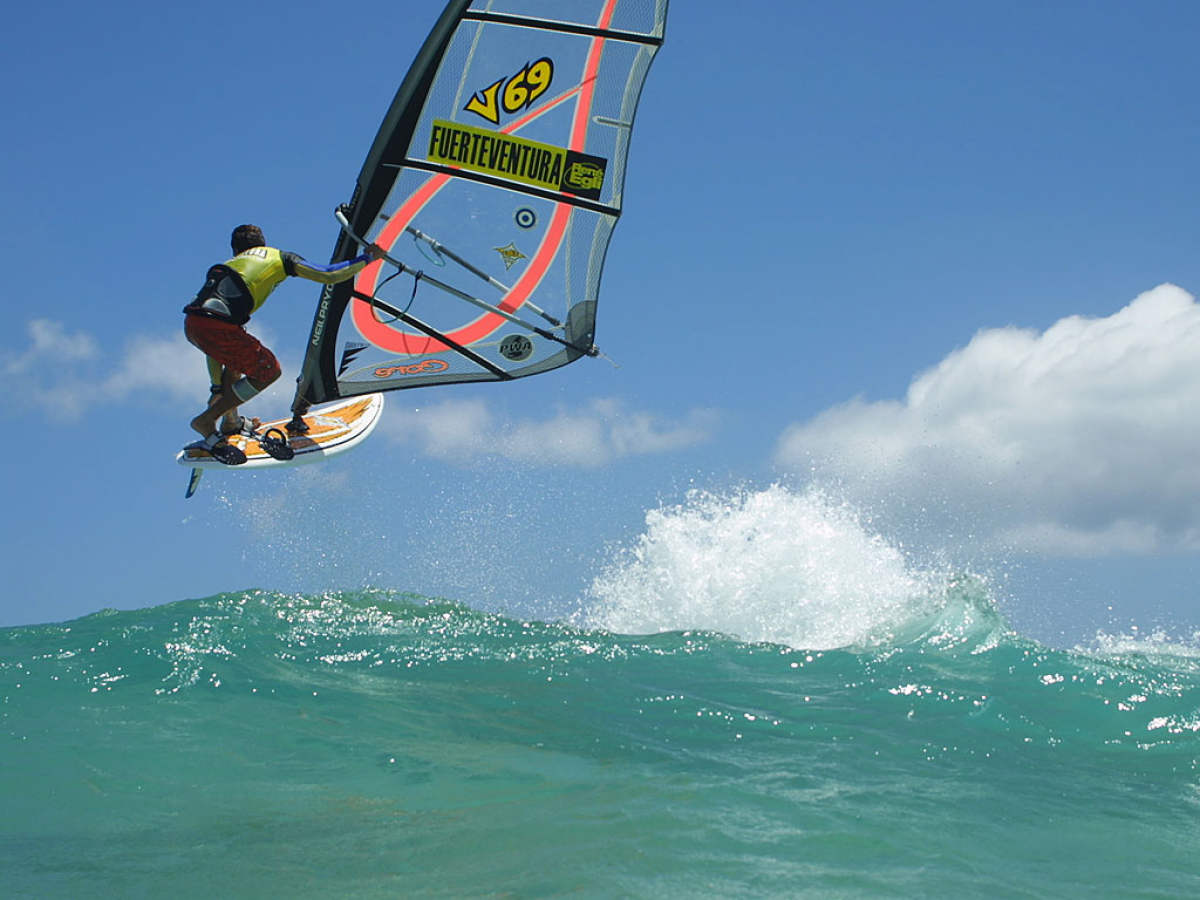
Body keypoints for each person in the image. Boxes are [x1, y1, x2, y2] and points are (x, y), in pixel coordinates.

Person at [183, 224, 384, 464]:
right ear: (263, 244)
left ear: (236, 249)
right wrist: (369, 257)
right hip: (218, 327)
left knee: (237, 362)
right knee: (269, 371)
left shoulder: (229, 265)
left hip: (193, 325)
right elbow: (328, 274)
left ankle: (230, 421)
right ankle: (207, 420)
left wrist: (216, 389)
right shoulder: (279, 256)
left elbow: (214, 347)